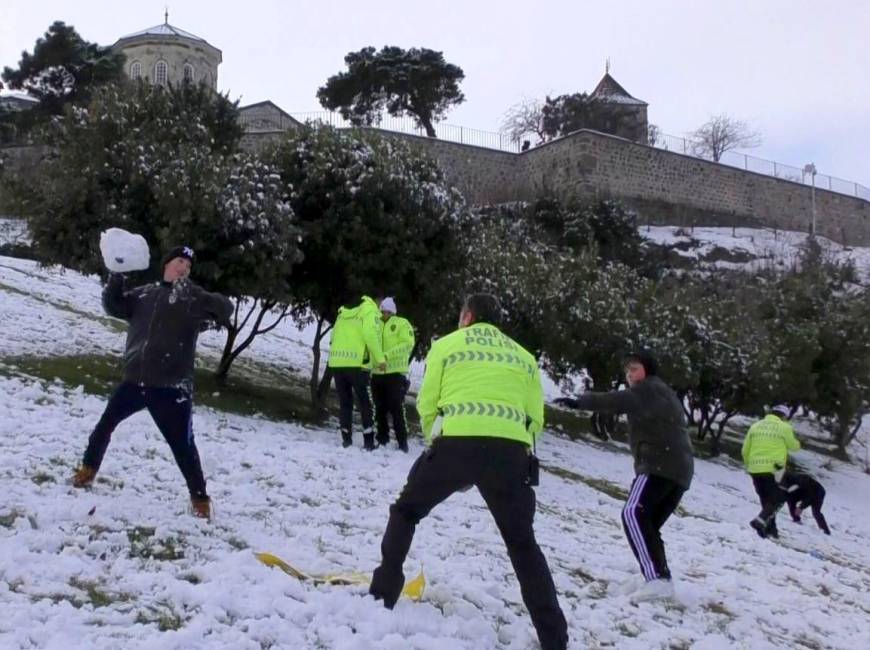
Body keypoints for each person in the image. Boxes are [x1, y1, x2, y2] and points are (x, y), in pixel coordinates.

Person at [369, 294, 568, 650]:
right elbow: (535, 417)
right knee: (523, 545)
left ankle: (382, 591)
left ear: (468, 316)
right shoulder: (524, 357)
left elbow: (428, 402)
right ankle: (554, 637)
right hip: (509, 454)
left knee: (406, 511)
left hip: (456, 443)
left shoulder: (446, 345)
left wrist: (436, 446)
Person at [72, 246, 233, 520]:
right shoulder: (144, 294)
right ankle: (87, 471)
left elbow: (225, 308)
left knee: (183, 446)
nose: (184, 268)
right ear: (167, 265)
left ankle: (200, 500)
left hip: (171, 388)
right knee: (104, 425)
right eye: (179, 262)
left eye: (188, 266)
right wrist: (117, 277)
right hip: (135, 382)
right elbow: (114, 305)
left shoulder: (190, 299)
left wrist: (197, 294)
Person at [554, 351, 694, 602]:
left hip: (660, 464)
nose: (630, 375)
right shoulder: (659, 391)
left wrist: (579, 402)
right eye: (627, 371)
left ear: (647, 370)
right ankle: (655, 576)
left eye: (635, 369)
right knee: (647, 524)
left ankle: (658, 580)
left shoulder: (649, 389)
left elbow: (615, 400)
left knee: (633, 513)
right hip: (678, 469)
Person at [327, 295, 386, 450]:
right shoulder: (369, 311)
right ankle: (368, 442)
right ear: (377, 301)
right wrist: (380, 359)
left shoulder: (343, 312)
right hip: (358, 365)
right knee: (365, 402)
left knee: (345, 402)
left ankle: (346, 439)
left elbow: (332, 337)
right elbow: (370, 335)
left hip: (337, 362)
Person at [741, 405, 800, 539]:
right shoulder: (784, 427)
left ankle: (770, 530)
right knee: (780, 498)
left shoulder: (755, 426)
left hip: (755, 468)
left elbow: (745, 450)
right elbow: (794, 446)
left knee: (766, 499)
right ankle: (760, 521)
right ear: (784, 416)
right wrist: (797, 443)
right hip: (774, 469)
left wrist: (749, 465)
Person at [371, 297, 415, 452]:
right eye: (382, 311)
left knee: (396, 409)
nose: (385, 314)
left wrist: (387, 356)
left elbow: (407, 344)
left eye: (388, 311)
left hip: (395, 374)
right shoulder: (375, 324)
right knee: (379, 408)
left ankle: (402, 443)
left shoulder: (402, 324)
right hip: (377, 373)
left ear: (393, 311)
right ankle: (382, 439)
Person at [780, 470, 831, 535]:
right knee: (790, 500)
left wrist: (801, 507)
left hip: (817, 492)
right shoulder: (785, 481)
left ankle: (826, 531)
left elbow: (810, 496)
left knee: (816, 512)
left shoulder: (801, 480)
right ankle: (796, 519)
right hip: (803, 492)